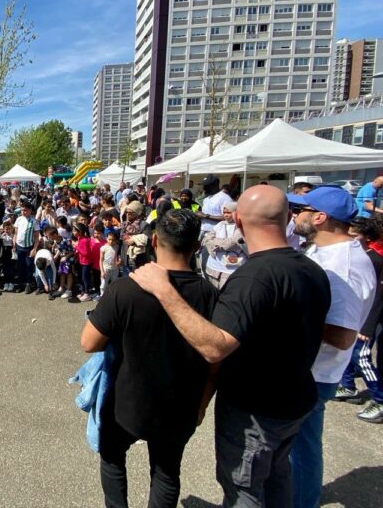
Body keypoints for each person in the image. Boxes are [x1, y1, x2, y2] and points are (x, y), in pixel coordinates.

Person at [130, 185, 331, 508]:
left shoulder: (253, 278)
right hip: (294, 401)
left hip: (256, 411)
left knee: (244, 489)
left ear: (237, 220)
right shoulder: (312, 269)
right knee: (278, 477)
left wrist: (164, 290)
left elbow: (215, 347)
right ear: (287, 218)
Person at [80, 209, 218, 508]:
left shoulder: (126, 289)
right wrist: (203, 402)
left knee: (113, 457)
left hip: (128, 401)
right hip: (181, 403)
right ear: (196, 247)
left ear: (154, 241)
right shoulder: (209, 294)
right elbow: (216, 362)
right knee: (166, 472)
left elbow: (88, 342)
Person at [287, 186, 376, 508]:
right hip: (306, 367)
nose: (295, 216)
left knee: (301, 450)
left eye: (301, 210)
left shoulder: (347, 266)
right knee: (296, 446)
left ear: (320, 217)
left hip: (316, 373)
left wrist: (286, 316)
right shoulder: (321, 250)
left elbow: (342, 335)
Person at [336, 216, 383, 423]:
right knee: (347, 352)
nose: (351, 239)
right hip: (353, 315)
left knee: (361, 357)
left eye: (355, 236)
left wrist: (368, 326)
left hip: (367, 320)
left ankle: (379, 398)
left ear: (367, 237)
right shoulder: (358, 257)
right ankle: (348, 386)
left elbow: (378, 296)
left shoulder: (373, 259)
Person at [202, 202, 247, 290]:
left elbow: (232, 243)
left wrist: (214, 243)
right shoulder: (220, 225)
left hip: (232, 269)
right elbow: (206, 239)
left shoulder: (242, 226)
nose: (226, 215)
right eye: (224, 212)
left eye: (229, 212)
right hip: (214, 267)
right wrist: (217, 242)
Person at [13, 200, 40, 294]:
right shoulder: (18, 219)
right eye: (22, 210)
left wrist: (34, 248)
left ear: (30, 210)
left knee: (29, 266)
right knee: (20, 266)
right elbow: (15, 233)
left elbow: (37, 237)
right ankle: (21, 283)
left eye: (25, 210)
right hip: (19, 246)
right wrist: (14, 245)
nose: (23, 212)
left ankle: (28, 283)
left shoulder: (34, 221)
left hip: (29, 247)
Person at [99, 231, 120, 298]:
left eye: (113, 240)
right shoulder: (103, 248)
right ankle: (102, 297)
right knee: (103, 285)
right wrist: (102, 271)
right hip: (106, 269)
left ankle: (112, 297)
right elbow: (100, 260)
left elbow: (118, 256)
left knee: (114, 284)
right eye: (109, 239)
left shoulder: (117, 247)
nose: (111, 241)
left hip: (115, 269)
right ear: (106, 238)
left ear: (116, 240)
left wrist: (119, 261)